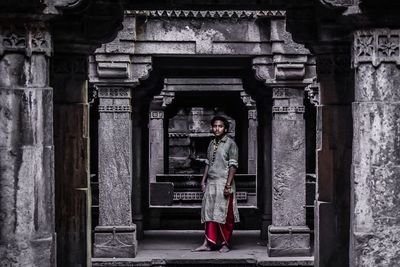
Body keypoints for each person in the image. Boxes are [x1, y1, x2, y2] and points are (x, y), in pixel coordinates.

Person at [193, 116, 240, 253]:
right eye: (214, 126)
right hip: (211, 183)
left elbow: (233, 166)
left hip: (224, 182)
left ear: (225, 129)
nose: (217, 129)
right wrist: (203, 180)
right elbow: (208, 163)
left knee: (225, 214)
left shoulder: (231, 144)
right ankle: (208, 243)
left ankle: (225, 243)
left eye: (220, 126)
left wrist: (228, 185)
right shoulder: (211, 143)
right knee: (209, 213)